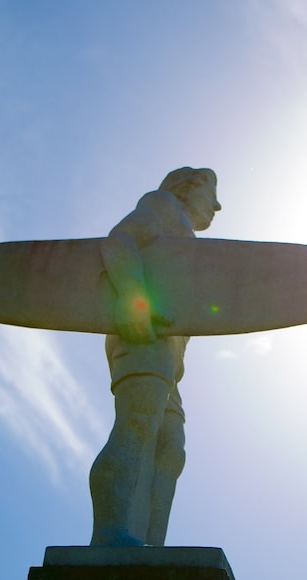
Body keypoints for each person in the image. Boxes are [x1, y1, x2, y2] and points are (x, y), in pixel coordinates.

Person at [89, 167, 221, 547]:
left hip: (169, 359)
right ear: (185, 188)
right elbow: (120, 241)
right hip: (142, 332)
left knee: (169, 449)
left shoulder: (187, 236)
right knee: (137, 424)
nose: (216, 204)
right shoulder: (162, 205)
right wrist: (133, 297)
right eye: (210, 191)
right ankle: (109, 536)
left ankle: (148, 548)